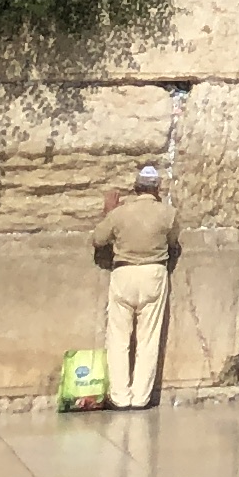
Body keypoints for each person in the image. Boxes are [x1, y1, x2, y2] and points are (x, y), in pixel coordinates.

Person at [88, 164, 177, 412]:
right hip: (153, 273)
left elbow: (98, 239)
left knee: (118, 337)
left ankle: (120, 396)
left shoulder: (120, 214)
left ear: (136, 188)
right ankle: (140, 398)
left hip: (124, 272)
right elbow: (173, 241)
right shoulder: (168, 213)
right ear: (157, 188)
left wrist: (108, 214)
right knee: (149, 338)